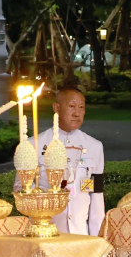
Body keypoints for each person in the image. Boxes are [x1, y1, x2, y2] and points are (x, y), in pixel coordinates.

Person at [35, 86, 105, 237]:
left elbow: (96, 195)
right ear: (56, 108)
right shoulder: (34, 145)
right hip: (46, 234)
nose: (77, 113)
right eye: (72, 106)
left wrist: (96, 238)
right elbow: (24, 190)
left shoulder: (94, 146)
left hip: (80, 235)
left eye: (81, 107)